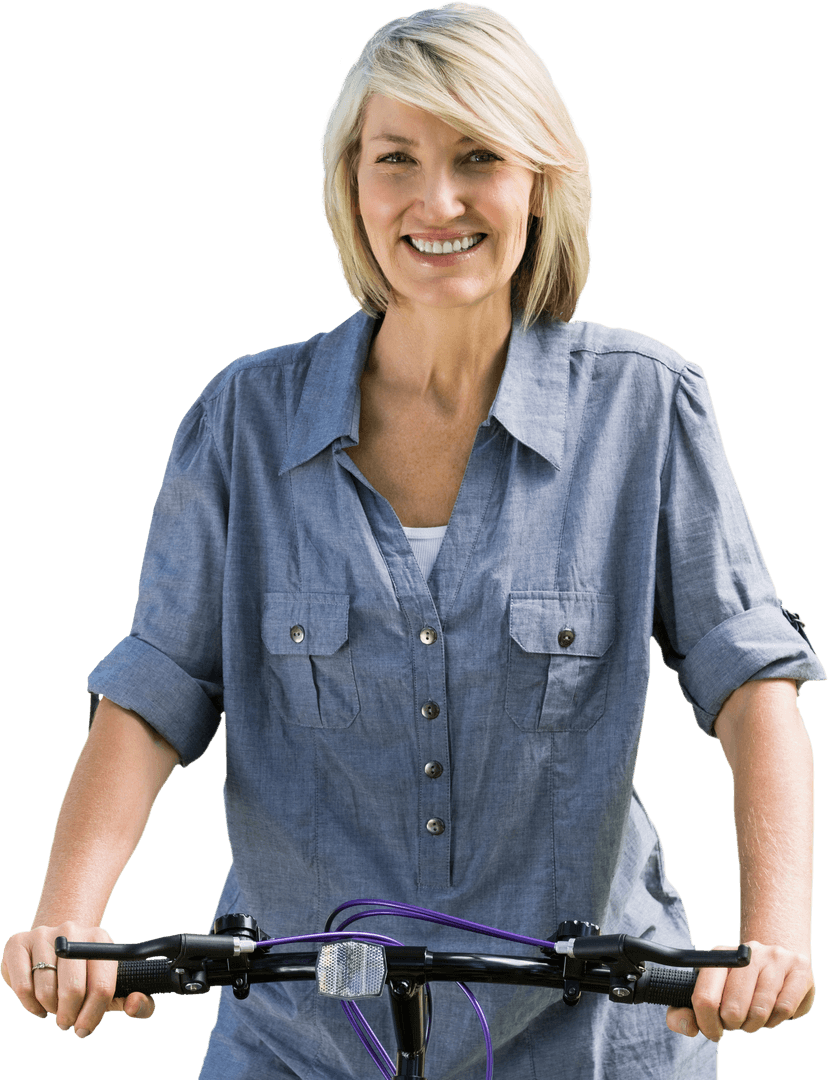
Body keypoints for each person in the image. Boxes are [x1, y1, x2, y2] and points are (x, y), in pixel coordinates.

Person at [2, 4, 822, 1077]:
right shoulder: (245, 420)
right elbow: (156, 692)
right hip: (298, 1033)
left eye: (478, 156)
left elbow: (752, 684)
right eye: (397, 159)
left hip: (591, 1033)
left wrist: (774, 938)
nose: (438, 201)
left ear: (540, 181)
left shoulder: (645, 405)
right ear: (352, 185)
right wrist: (68, 916)